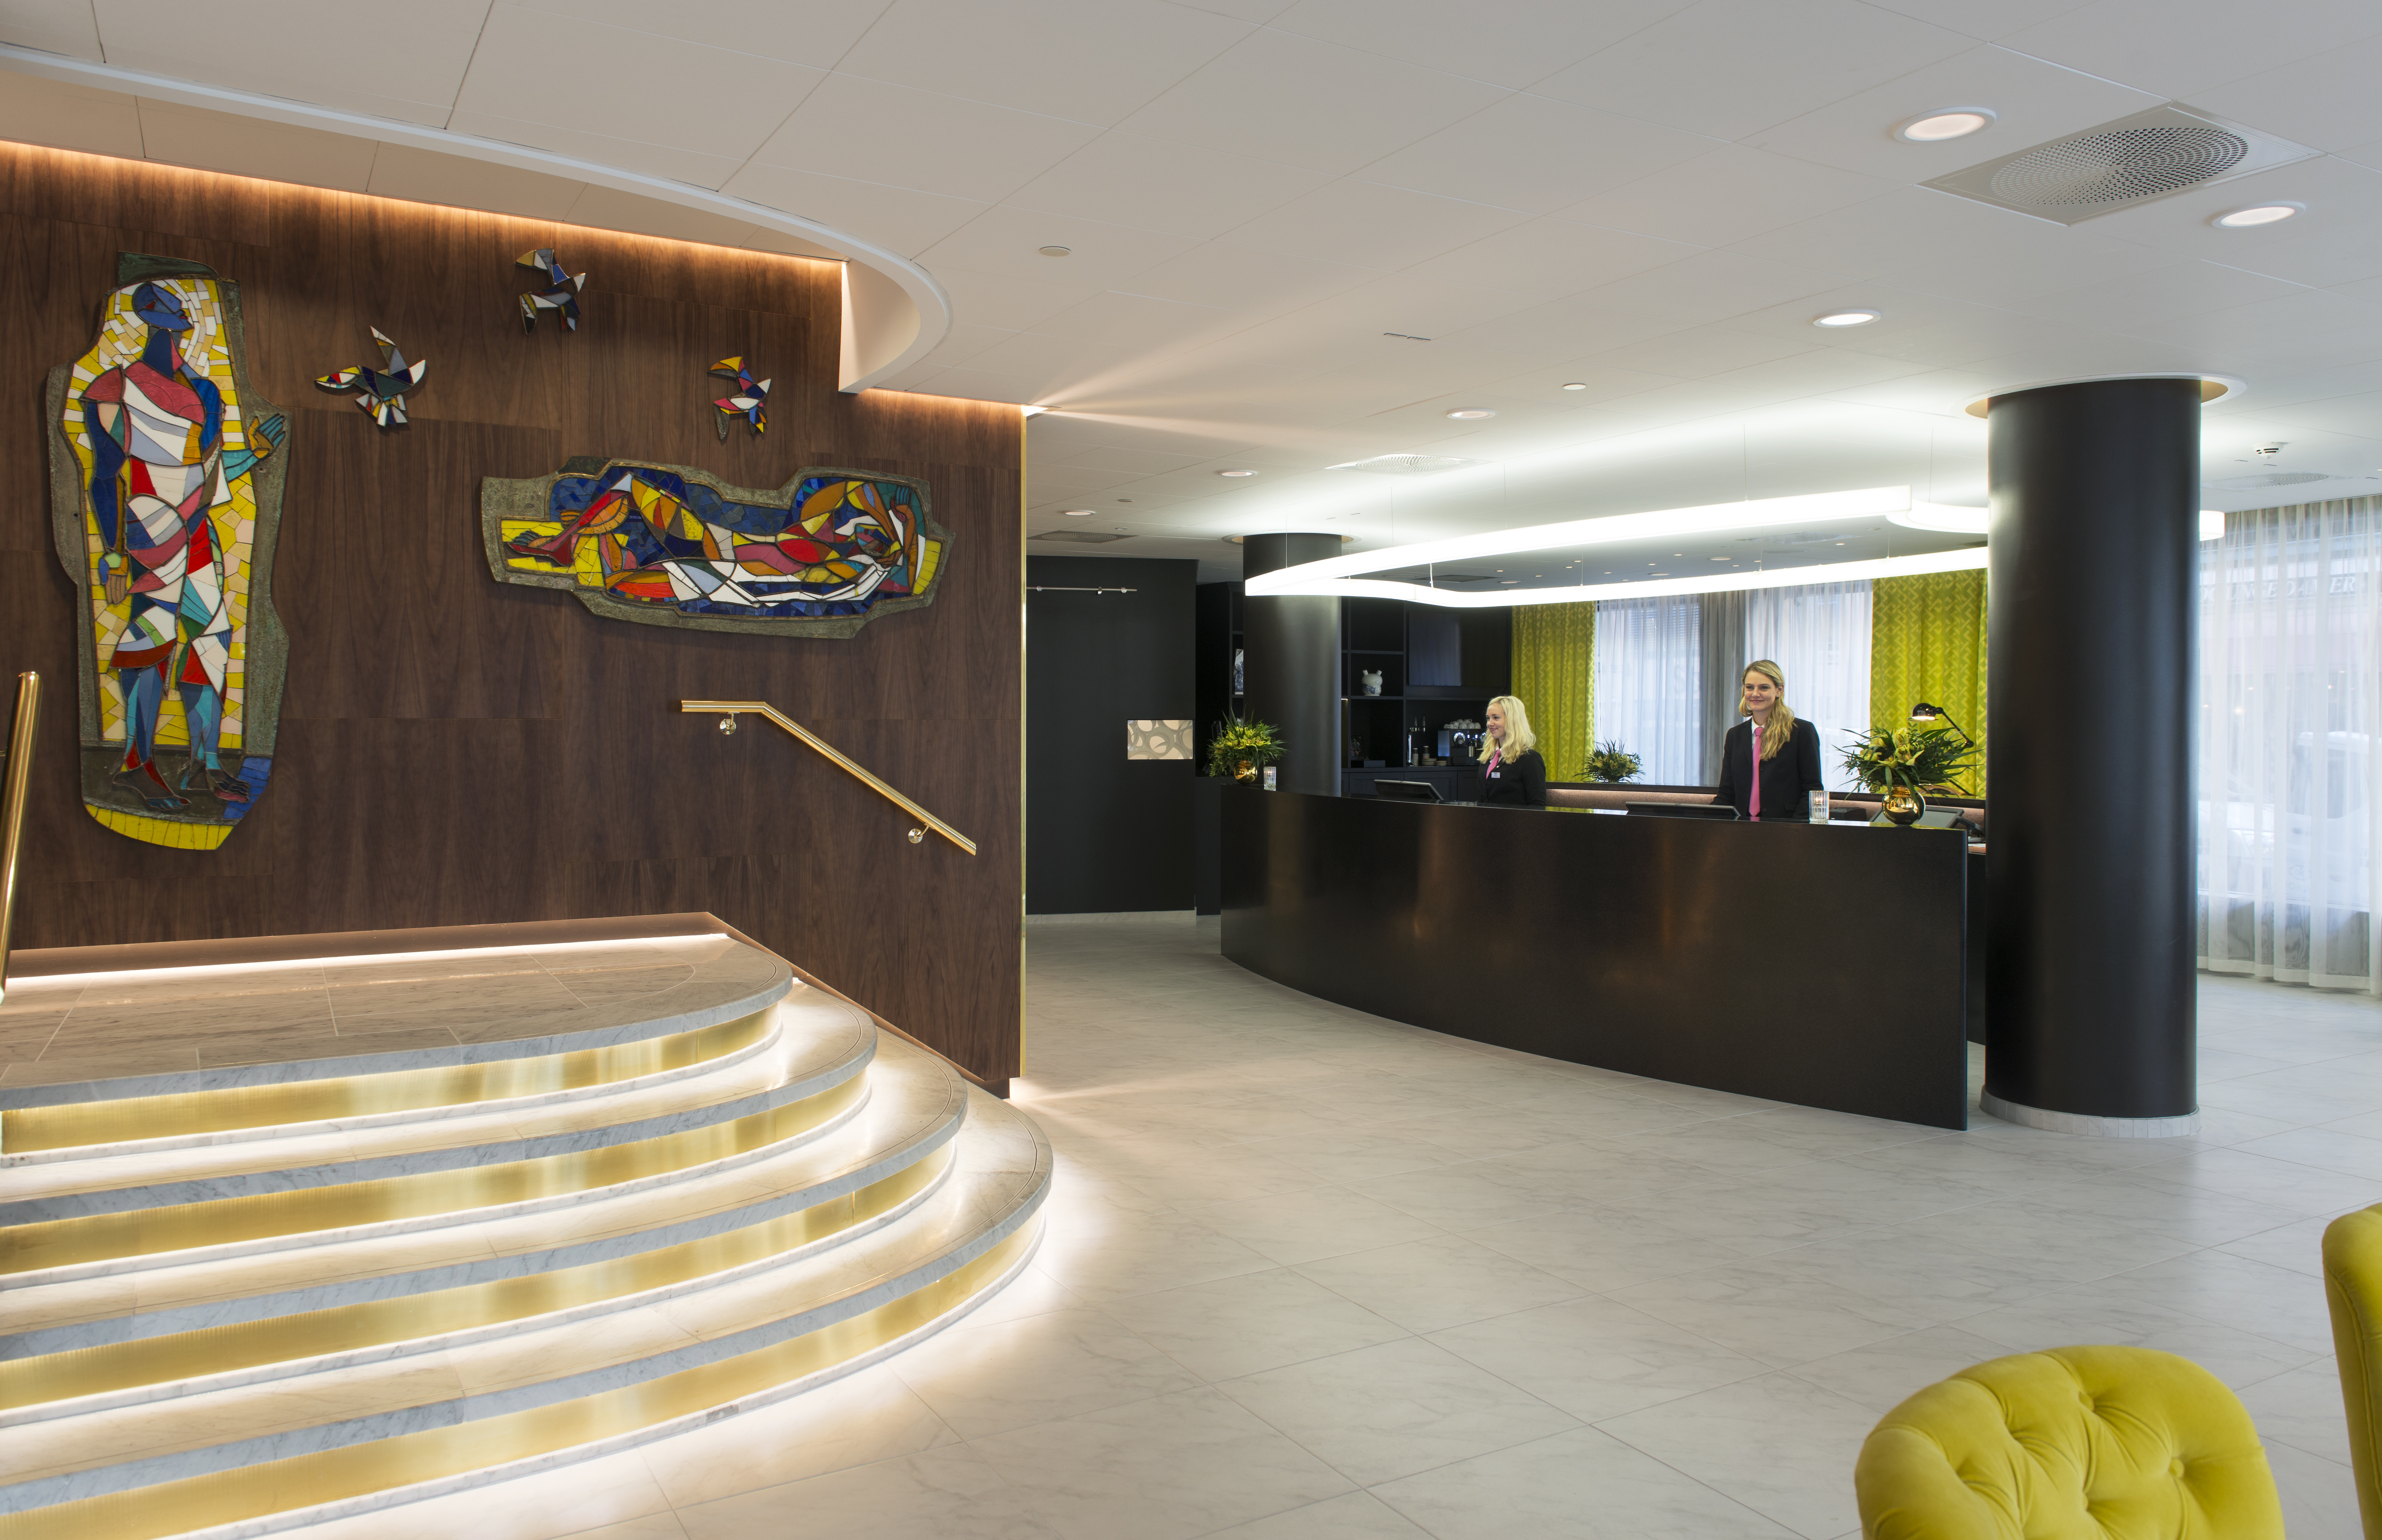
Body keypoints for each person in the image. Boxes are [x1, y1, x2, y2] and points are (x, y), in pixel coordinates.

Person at [1714, 659, 1824, 822]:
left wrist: (1794, 829)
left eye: (1764, 688)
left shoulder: (1802, 731)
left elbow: (1812, 789)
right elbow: (1727, 792)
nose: (1755, 694)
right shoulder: (1735, 735)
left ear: (1779, 690)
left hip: (1786, 829)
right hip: (1741, 829)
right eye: (1750, 687)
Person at [1478, 696, 1547, 807]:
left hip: (1516, 823)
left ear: (1512, 720)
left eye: (1496, 718)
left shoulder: (1530, 759)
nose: (1489, 723)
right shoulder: (1488, 756)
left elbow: (1537, 804)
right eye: (1488, 718)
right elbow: (1485, 797)